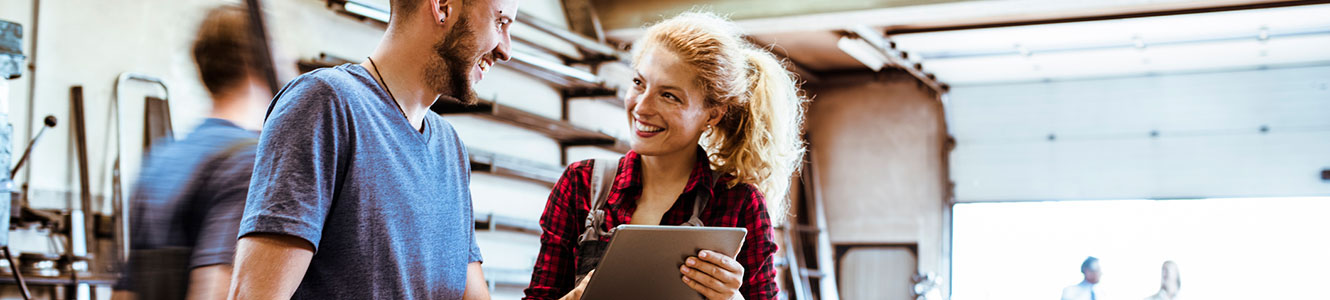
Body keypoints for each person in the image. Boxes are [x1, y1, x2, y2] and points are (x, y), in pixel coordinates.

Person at [227, 0, 516, 299]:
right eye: (501, 22)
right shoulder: (326, 105)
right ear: (443, 6)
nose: (506, 50)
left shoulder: (450, 147)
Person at [523, 11, 806, 300]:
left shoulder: (739, 203)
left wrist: (732, 299)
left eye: (669, 95)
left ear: (713, 113)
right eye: (638, 83)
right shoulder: (580, 184)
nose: (641, 107)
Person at [114, 5, 275, 300]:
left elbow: (125, 292)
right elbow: (212, 288)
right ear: (262, 64)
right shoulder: (249, 161)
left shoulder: (162, 155)